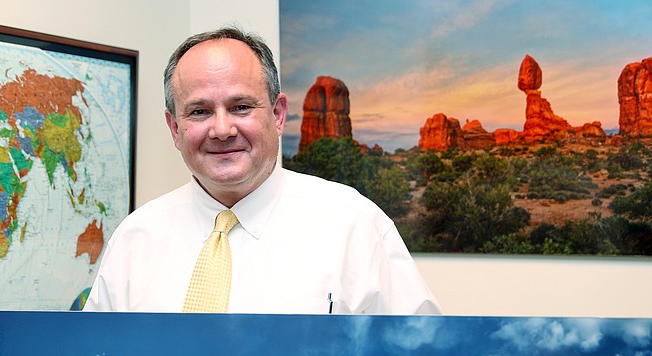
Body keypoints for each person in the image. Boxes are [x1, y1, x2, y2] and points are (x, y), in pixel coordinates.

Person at [84, 27, 440, 314]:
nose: (221, 130)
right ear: (175, 128)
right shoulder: (134, 240)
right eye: (199, 112)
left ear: (278, 114)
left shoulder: (356, 227)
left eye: (240, 107)